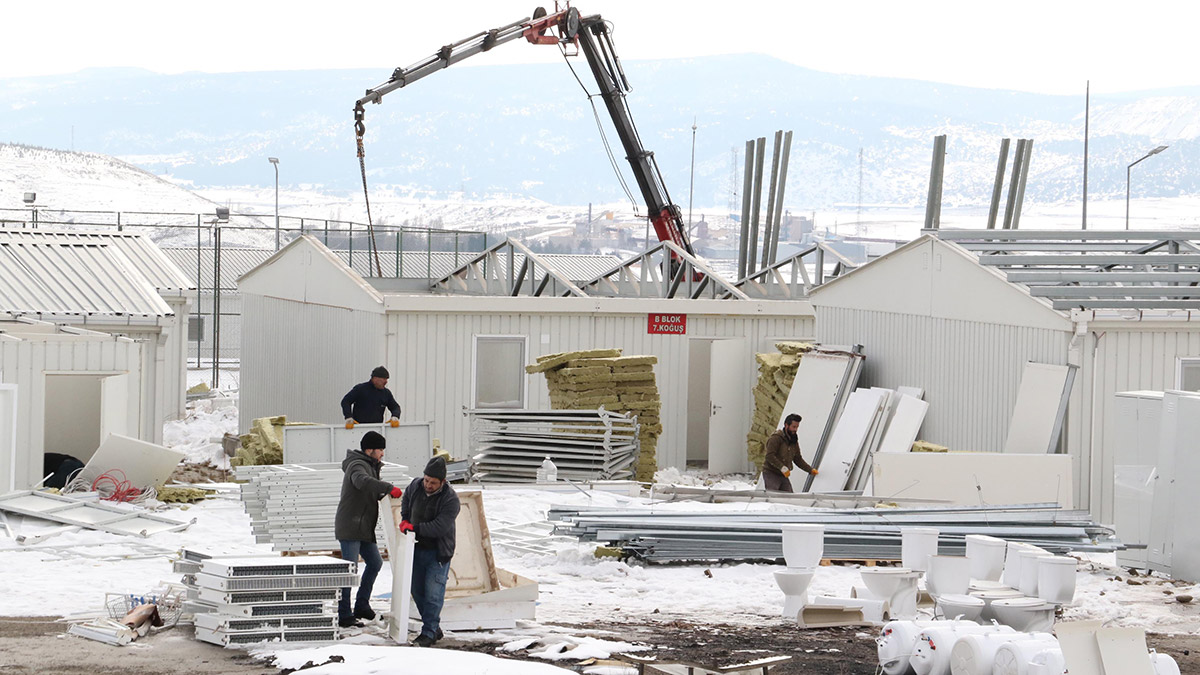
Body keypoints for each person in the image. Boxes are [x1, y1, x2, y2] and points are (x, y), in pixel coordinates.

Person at [334, 430, 404, 628]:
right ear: (369, 450)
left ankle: (362, 605)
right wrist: (388, 488)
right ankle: (344, 614)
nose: (382, 453)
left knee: (375, 563)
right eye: (380, 449)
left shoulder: (371, 466)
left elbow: (369, 488)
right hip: (350, 525)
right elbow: (361, 481)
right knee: (350, 570)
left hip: (364, 526)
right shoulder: (357, 465)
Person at [400, 456, 460, 647]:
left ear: (442, 482)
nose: (428, 485)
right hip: (416, 548)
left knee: (433, 594)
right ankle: (433, 627)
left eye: (433, 482)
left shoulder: (450, 499)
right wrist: (405, 518)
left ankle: (428, 632)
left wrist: (414, 527)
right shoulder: (415, 486)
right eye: (426, 480)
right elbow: (406, 500)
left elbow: (439, 527)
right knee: (416, 591)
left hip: (438, 552)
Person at [762, 413, 818, 493]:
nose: (795, 429)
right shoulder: (776, 438)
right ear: (786, 425)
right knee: (773, 496)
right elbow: (769, 456)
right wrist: (782, 467)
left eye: (797, 427)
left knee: (789, 496)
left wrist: (810, 470)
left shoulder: (793, 440)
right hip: (771, 473)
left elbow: (798, 459)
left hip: (783, 475)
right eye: (794, 427)